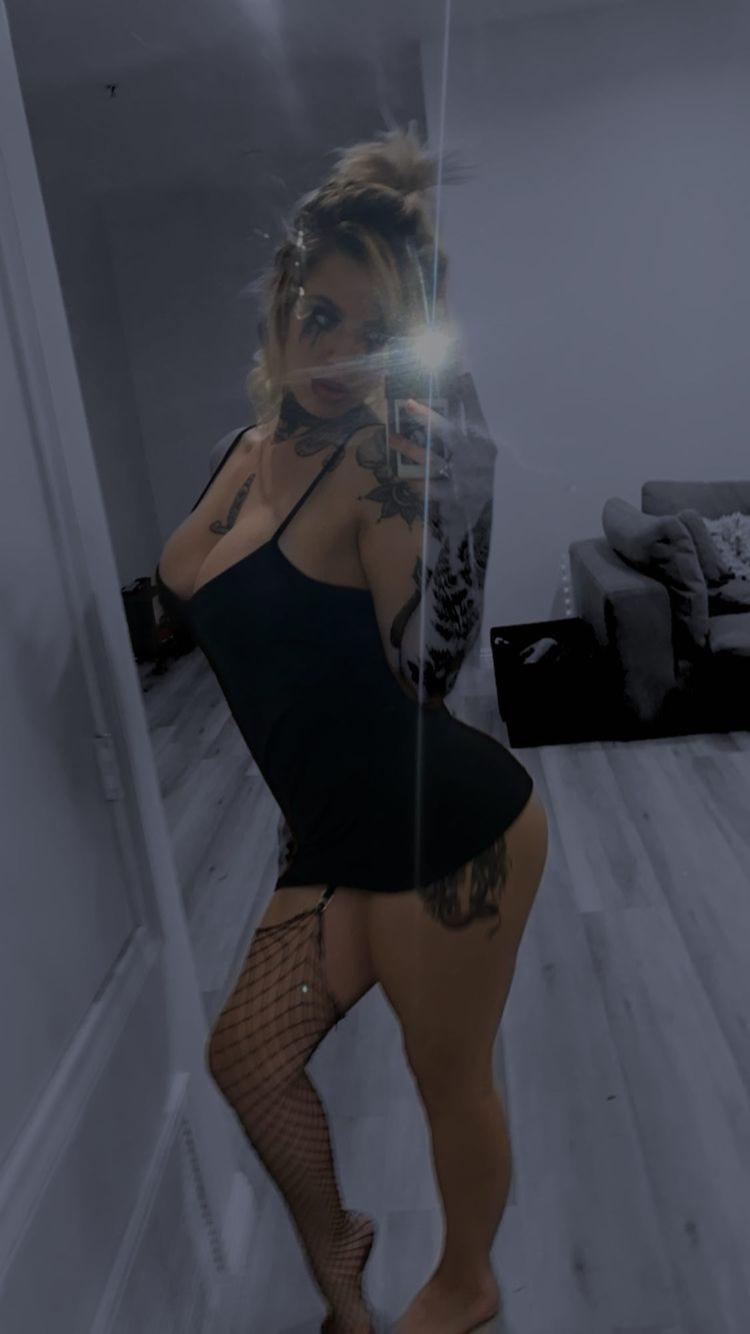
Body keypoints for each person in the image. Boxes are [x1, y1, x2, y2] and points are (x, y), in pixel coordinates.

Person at [156, 123, 549, 1334]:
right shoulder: (240, 454)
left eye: (375, 330)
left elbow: (428, 668)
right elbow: (194, 591)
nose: (338, 353)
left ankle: (467, 1283)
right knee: (247, 1059)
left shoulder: (383, 459)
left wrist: (464, 515)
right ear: (279, 308)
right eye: (320, 316)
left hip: (448, 827)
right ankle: (340, 1247)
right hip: (330, 830)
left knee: (447, 1080)